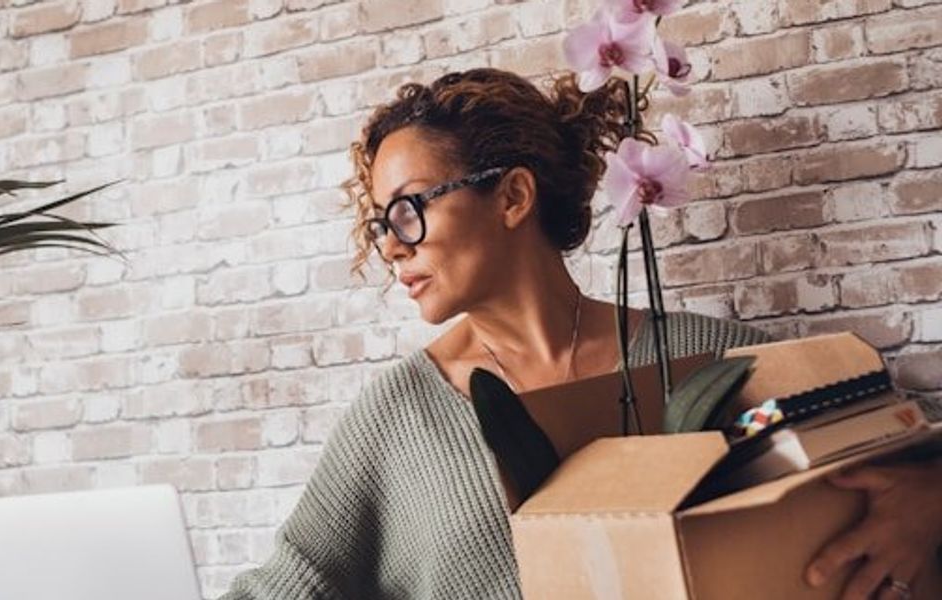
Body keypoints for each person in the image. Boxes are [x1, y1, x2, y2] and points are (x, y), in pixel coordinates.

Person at [218, 68, 942, 600]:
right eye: (381, 225)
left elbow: (897, 444)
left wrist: (929, 501)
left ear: (512, 196)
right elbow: (291, 582)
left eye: (408, 211)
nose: (392, 247)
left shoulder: (705, 356)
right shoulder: (396, 418)